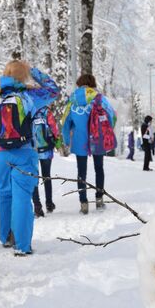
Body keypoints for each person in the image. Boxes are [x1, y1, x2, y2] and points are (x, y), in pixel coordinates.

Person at [0, 61, 61, 256]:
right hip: (24, 152)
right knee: (22, 196)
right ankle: (22, 245)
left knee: (5, 194)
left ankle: (6, 237)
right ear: (24, 76)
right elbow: (54, 90)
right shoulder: (30, 96)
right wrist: (33, 70)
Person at [61, 74, 117, 215]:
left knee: (81, 173)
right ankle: (99, 199)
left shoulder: (72, 100)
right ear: (92, 83)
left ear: (79, 84)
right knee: (99, 169)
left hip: (80, 140)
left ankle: (84, 203)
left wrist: (66, 140)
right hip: (97, 138)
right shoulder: (99, 98)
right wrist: (107, 130)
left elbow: (65, 122)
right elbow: (112, 115)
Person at [31, 105, 60, 218]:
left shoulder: (29, 108)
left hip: (32, 149)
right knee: (46, 176)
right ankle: (49, 203)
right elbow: (54, 128)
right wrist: (57, 139)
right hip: (46, 149)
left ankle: (37, 206)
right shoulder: (46, 111)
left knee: (34, 178)